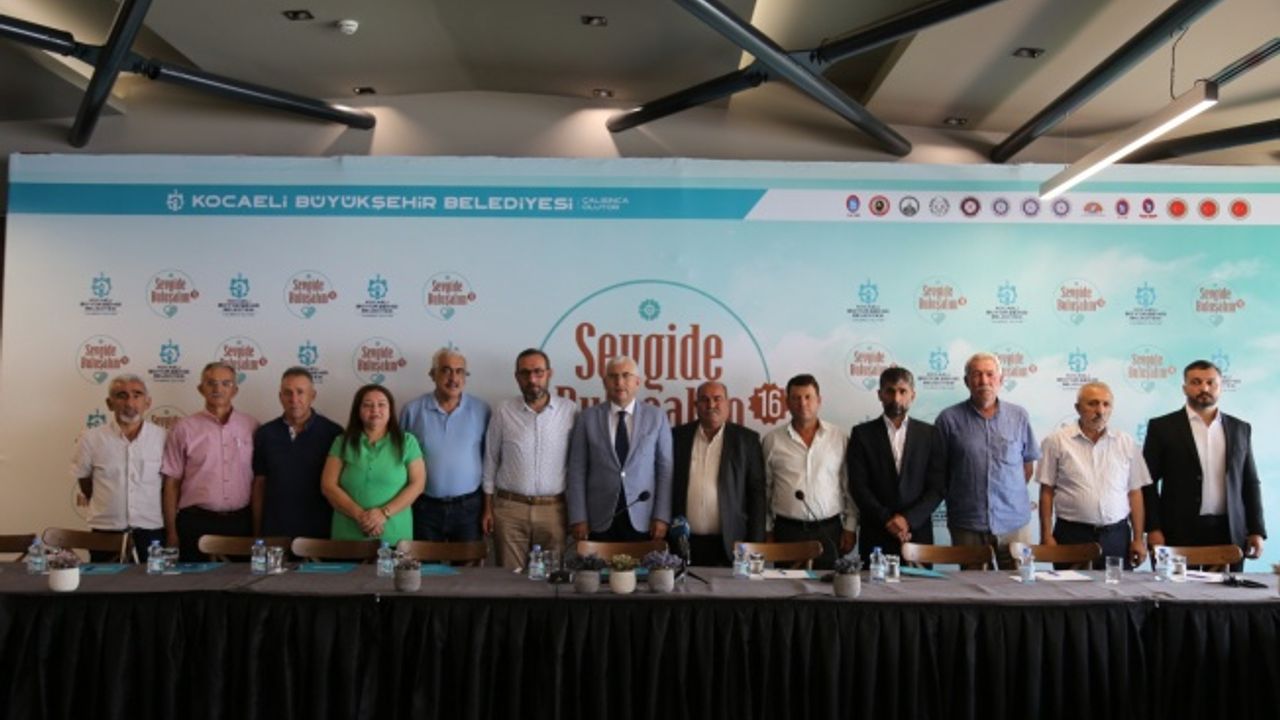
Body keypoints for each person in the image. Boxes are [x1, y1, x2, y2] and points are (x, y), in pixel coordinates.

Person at [1143, 360, 1265, 568]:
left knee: (1227, 589)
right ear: (1185, 388)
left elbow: (1250, 482)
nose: (1204, 388)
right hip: (1176, 532)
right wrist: (1153, 529)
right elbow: (1147, 482)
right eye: (1196, 382)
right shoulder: (1162, 427)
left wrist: (1256, 530)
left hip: (1229, 532)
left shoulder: (1240, 428)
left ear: (1221, 387)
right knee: (1174, 588)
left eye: (1210, 382)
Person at [935, 352, 1039, 569]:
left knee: (1019, 585)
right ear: (966, 381)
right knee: (972, 587)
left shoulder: (1019, 416)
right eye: (976, 374)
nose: (984, 380)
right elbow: (939, 472)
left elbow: (1027, 467)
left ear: (1001, 379)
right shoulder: (948, 419)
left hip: (1014, 524)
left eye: (990, 374)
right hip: (968, 524)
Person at [481, 349, 577, 569]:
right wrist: (487, 508)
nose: (532, 379)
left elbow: (576, 466)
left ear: (549, 374)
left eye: (538, 372)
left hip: (553, 510)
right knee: (509, 578)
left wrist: (575, 512)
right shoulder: (504, 411)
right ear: (517, 377)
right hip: (509, 510)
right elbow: (491, 460)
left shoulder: (569, 411)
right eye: (525, 373)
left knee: (551, 580)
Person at [1037, 381, 1150, 569]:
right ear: (1077, 408)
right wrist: (1046, 535)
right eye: (1093, 404)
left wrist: (1138, 539)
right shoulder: (1056, 441)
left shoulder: (1126, 442)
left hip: (1117, 536)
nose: (1100, 411)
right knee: (1069, 587)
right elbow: (1047, 491)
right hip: (1072, 535)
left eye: (1106, 404)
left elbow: (1135, 493)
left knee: (1118, 587)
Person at [567, 355, 673, 542]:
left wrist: (662, 516)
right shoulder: (587, 418)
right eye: (613, 376)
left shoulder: (657, 417)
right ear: (604, 382)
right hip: (599, 518)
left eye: (626, 375)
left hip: (644, 517)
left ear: (638, 382)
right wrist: (578, 517)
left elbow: (665, 470)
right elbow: (576, 470)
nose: (619, 382)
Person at [846, 367, 944, 564]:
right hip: (876, 533)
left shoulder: (930, 434)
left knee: (920, 585)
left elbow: (937, 487)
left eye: (902, 391)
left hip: (917, 535)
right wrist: (888, 520)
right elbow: (858, 486)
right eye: (890, 391)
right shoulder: (862, 434)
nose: (896, 398)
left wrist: (907, 520)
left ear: (912, 395)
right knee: (874, 585)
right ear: (880, 394)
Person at [161, 362, 259, 561]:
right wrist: (171, 532)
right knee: (194, 579)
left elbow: (259, 481)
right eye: (211, 383)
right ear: (200, 389)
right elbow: (171, 483)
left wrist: (257, 531)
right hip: (195, 523)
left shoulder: (252, 426)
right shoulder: (183, 428)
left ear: (235, 390)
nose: (217, 388)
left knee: (242, 579)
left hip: (240, 524)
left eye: (225, 383)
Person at [762, 374, 855, 570]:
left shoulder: (839, 438)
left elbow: (849, 486)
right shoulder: (772, 440)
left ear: (818, 400)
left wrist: (850, 527)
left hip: (829, 531)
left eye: (808, 397)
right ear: (787, 402)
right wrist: (767, 529)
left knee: (828, 586)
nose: (802, 403)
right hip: (787, 531)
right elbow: (765, 490)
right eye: (796, 398)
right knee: (785, 587)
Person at [71, 374, 167, 561]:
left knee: (152, 580)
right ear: (109, 403)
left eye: (137, 395)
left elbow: (168, 485)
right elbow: (85, 481)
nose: (130, 403)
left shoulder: (164, 438)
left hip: (151, 531)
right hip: (105, 531)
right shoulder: (91, 438)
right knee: (104, 580)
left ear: (148, 402)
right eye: (121, 396)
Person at [670, 381, 765, 566]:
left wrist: (756, 542)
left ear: (728, 403)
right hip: (684, 541)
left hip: (731, 544)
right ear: (696, 405)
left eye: (717, 399)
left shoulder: (747, 440)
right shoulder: (677, 437)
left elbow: (757, 495)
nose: (711, 405)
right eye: (704, 400)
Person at [401, 348, 491, 541]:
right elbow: (401, 463)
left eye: (460, 371)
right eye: (446, 370)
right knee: (425, 561)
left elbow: (489, 463)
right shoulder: (412, 410)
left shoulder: (482, 410)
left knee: (469, 561)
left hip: (469, 508)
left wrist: (488, 508)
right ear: (432, 374)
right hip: (425, 507)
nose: (453, 378)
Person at [322, 384, 425, 544]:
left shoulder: (407, 442)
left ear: (390, 410)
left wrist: (384, 514)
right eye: (367, 405)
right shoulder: (342, 442)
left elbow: (418, 484)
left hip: (395, 536)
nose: (375, 410)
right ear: (358, 410)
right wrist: (361, 516)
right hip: (348, 537)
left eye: (381, 404)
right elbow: (328, 485)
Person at [251, 367, 343, 539]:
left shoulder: (334, 434)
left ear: (312, 395)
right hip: (275, 532)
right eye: (288, 393)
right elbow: (260, 485)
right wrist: (257, 531)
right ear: (280, 397)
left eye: (300, 392)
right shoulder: (265, 434)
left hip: (320, 534)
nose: (294, 399)